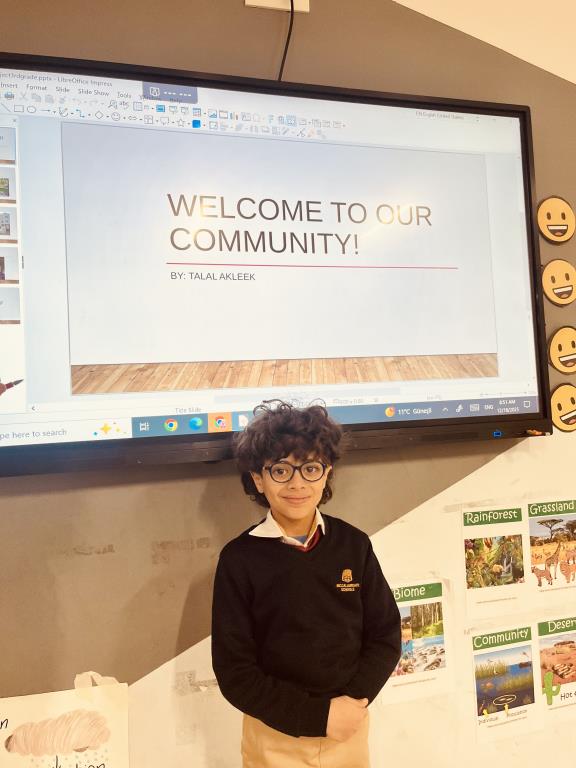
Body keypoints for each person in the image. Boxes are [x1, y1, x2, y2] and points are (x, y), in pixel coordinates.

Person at [211, 400, 401, 768]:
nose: (297, 483)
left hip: (348, 727)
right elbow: (235, 673)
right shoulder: (238, 559)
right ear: (258, 478)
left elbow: (385, 635)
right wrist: (316, 716)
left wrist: (350, 704)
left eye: (311, 468)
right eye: (281, 470)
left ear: (327, 473)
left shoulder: (354, 545)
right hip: (274, 736)